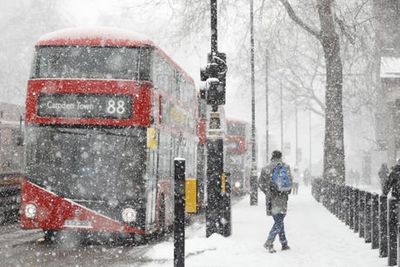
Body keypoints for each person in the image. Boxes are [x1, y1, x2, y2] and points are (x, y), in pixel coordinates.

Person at [258, 150, 291, 253]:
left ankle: (284, 243)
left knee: (278, 220)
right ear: (280, 157)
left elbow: (260, 183)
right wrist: (285, 191)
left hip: (271, 198)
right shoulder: (285, 167)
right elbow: (290, 182)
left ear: (272, 157)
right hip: (283, 197)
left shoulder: (266, 168)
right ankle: (269, 242)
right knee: (279, 220)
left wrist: (268, 192)